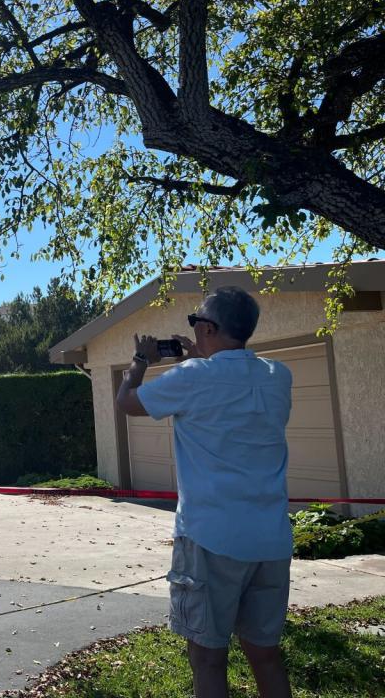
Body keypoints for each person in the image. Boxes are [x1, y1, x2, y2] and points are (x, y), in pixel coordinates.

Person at [115, 286, 293, 698]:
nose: (192, 331)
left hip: (211, 538)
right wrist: (201, 357)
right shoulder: (278, 376)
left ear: (210, 327)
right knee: (265, 654)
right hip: (270, 539)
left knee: (209, 658)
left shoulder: (193, 378)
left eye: (195, 323)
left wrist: (142, 360)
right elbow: (228, 390)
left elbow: (127, 402)